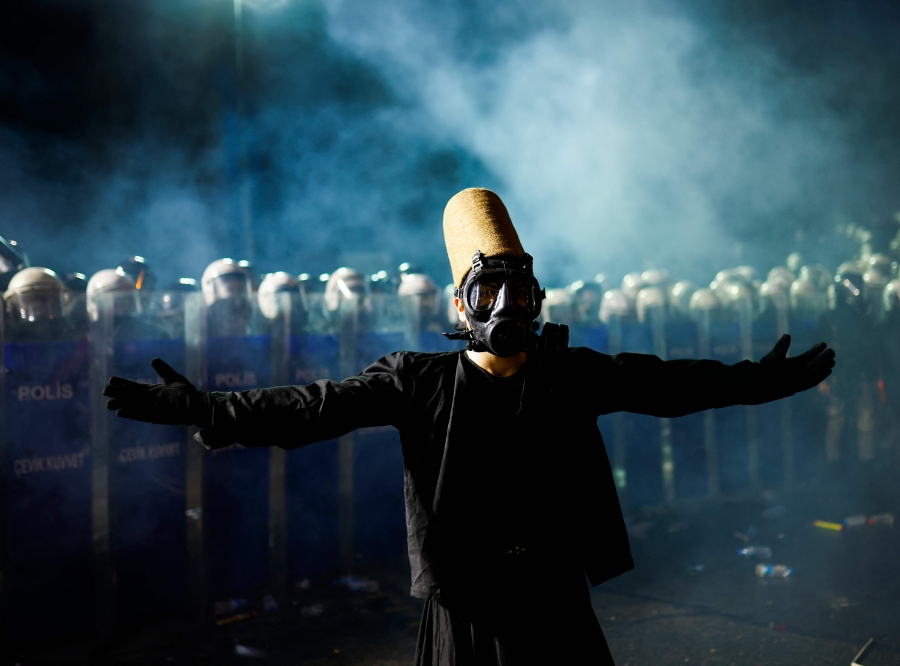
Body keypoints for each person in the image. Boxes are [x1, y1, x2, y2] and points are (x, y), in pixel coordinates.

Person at [102, 188, 835, 665]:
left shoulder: (567, 373)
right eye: (492, 287)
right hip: (468, 606)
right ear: (462, 305)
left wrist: (758, 381)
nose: (509, 302)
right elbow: (316, 405)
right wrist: (209, 411)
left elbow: (670, 384)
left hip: (554, 596)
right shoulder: (416, 380)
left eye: (521, 286)